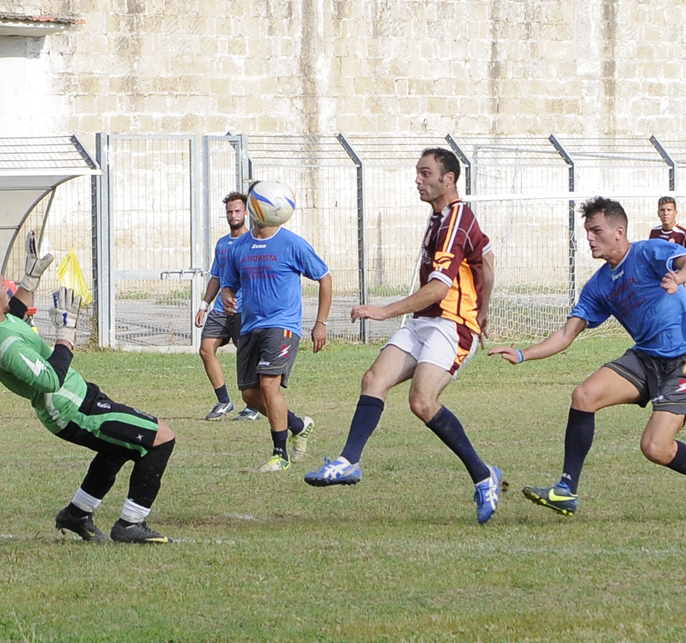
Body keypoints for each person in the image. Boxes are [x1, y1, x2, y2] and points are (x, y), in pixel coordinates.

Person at [490, 196, 686, 520]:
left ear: (619, 231)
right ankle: (566, 491)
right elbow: (565, 335)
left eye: (595, 230)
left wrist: (678, 278)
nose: (589, 237)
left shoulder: (648, 252)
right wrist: (522, 354)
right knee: (584, 396)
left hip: (684, 359)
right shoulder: (599, 284)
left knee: (655, 448)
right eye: (586, 231)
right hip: (644, 359)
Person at [305, 148, 503, 524]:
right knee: (374, 379)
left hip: (452, 324)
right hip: (426, 321)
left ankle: (483, 475)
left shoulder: (457, 219)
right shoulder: (440, 218)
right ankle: (349, 461)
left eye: (425, 173)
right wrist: (486, 306)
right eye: (416, 172)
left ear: (449, 179)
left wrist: (383, 311)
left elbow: (439, 289)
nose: (417, 180)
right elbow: (488, 263)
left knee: (422, 402)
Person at [0, 236, 176, 544]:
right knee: (161, 438)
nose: (10, 291)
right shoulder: (4, 345)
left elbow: (13, 314)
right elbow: (50, 380)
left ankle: (77, 514)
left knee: (116, 449)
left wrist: (31, 279)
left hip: (78, 398)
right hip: (70, 409)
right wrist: (66, 332)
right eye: (4, 288)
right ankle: (130, 524)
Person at [219, 181, 331, 472]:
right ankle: (297, 424)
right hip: (249, 326)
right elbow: (228, 284)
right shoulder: (239, 247)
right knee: (249, 394)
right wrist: (228, 296)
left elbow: (324, 277)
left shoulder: (292, 243)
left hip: (282, 325)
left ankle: (279, 455)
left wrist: (321, 323)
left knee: (269, 385)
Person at [195, 191, 258, 422]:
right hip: (221, 310)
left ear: (246, 213)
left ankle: (253, 406)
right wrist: (204, 305)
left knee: (247, 356)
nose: (233, 215)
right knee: (205, 349)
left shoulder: (252, 242)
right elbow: (216, 277)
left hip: (244, 310)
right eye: (229, 212)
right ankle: (224, 401)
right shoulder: (222, 244)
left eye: (237, 211)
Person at [651, 196, 686, 299]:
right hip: (659, 284)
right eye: (662, 210)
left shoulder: (682, 234)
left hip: (678, 285)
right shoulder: (654, 233)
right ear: (658, 213)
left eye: (669, 210)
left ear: (675, 213)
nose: (665, 213)